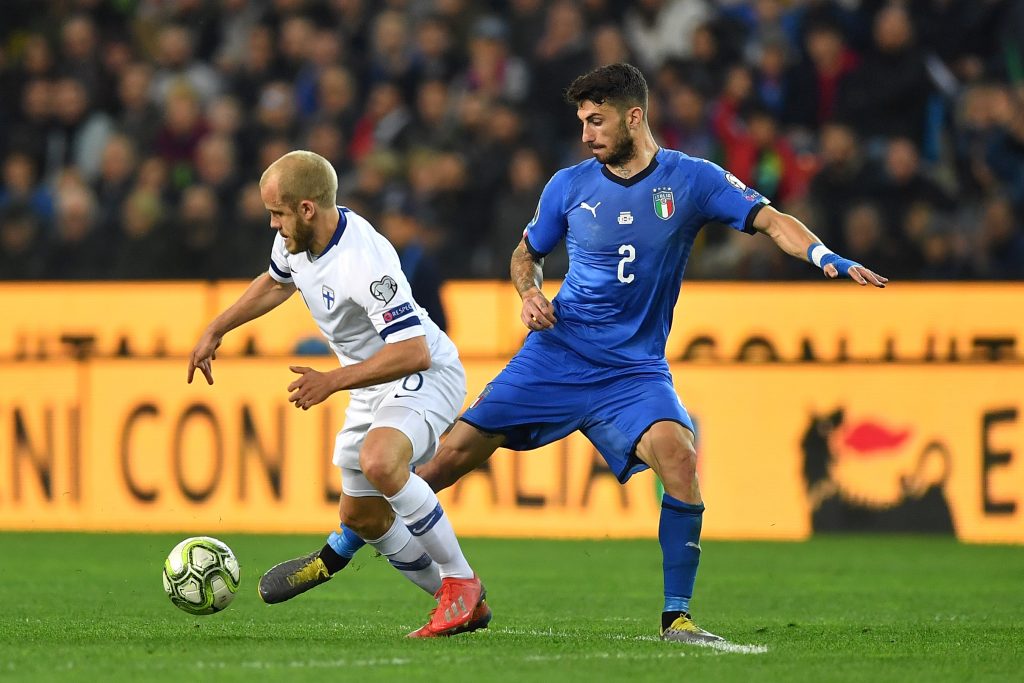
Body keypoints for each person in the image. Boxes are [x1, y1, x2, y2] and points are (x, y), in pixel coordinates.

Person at [265, 64, 886, 644]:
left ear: (634, 117)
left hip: (633, 370)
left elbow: (772, 220)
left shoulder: (692, 179)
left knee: (679, 452)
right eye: (582, 122)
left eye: (598, 121)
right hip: (555, 354)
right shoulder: (568, 186)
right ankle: (343, 545)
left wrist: (827, 257)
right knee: (441, 463)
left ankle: (678, 618)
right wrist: (530, 291)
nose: (586, 133)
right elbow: (524, 253)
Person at [186, 150, 489, 638]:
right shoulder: (297, 242)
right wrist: (216, 327)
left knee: (380, 460)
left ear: (307, 208)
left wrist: (330, 381)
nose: (272, 225)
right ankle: (454, 601)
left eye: (278, 214)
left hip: (425, 373)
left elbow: (413, 351)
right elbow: (274, 283)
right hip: (370, 379)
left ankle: (461, 582)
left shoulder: (364, 261)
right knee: (363, 516)